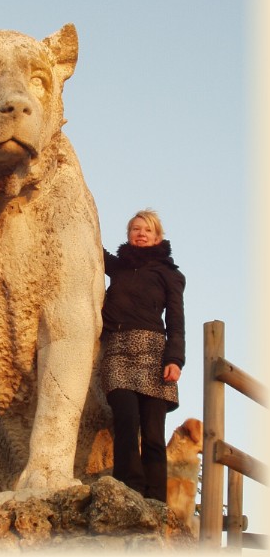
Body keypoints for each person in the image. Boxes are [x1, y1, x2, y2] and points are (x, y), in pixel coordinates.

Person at [101, 209, 185, 503]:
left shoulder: (169, 275)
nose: (140, 233)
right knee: (125, 419)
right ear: (128, 235)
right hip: (116, 349)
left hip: (153, 352)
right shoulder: (118, 266)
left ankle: (156, 501)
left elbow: (176, 320)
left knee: (152, 433)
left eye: (147, 229)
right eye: (135, 229)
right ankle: (129, 490)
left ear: (157, 236)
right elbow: (91, 245)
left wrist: (175, 359)